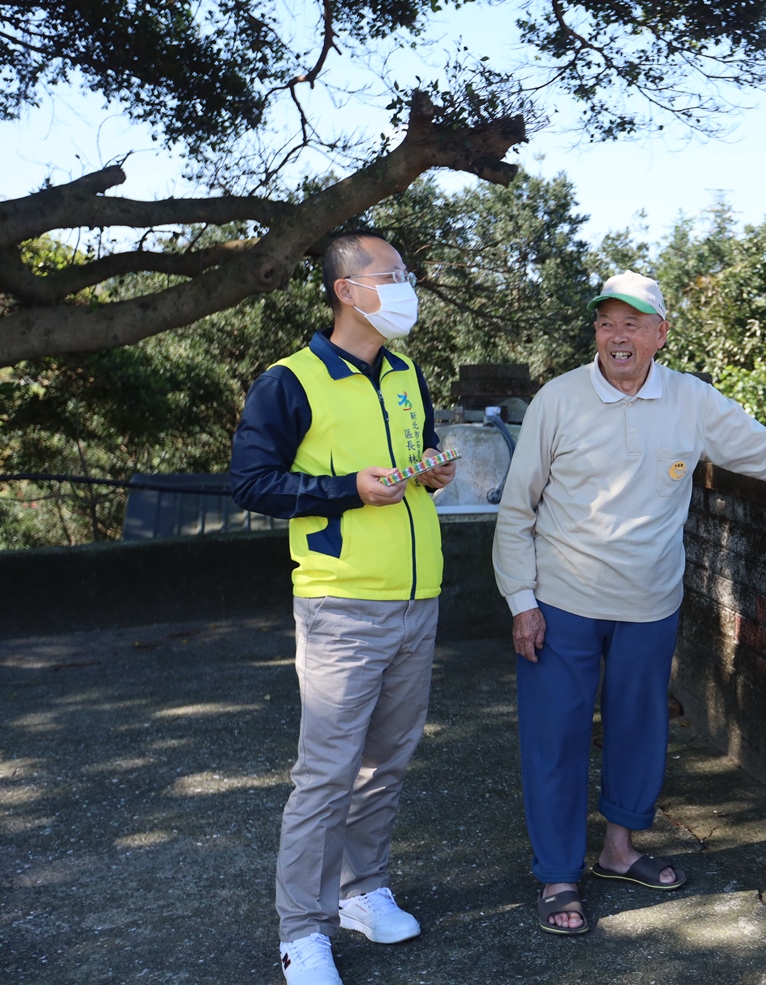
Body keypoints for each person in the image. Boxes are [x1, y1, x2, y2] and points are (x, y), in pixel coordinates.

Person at [491, 270, 766, 935]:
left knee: (641, 732)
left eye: (634, 323)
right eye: (607, 322)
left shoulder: (689, 400)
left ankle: (619, 850)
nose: (618, 336)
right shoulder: (559, 399)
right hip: (561, 600)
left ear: (661, 333)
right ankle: (557, 874)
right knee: (555, 740)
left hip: (650, 602)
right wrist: (522, 599)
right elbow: (516, 510)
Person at [230, 231, 457, 985]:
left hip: (415, 597)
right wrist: (346, 488)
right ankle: (302, 930)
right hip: (340, 604)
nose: (404, 286)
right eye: (390, 275)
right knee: (325, 773)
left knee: (386, 763)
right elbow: (252, 485)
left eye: (405, 274)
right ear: (345, 290)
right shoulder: (289, 381)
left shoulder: (404, 372)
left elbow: (407, 457)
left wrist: (429, 473)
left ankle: (364, 891)